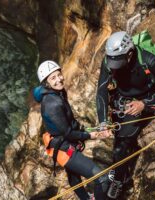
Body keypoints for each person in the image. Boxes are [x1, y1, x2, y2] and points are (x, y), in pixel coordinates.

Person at [96, 31, 155, 199]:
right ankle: (120, 167)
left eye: (117, 62)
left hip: (144, 99)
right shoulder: (108, 61)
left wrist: (144, 104)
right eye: (112, 61)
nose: (113, 66)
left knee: (122, 144)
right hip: (122, 97)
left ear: (130, 54)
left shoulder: (150, 61)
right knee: (119, 138)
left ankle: (120, 181)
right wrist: (103, 121)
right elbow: (102, 91)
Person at [33, 60, 112, 200]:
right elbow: (68, 133)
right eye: (53, 78)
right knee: (102, 178)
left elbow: (70, 123)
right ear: (46, 83)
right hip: (64, 147)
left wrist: (88, 130)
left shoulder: (57, 93)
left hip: (63, 143)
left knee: (74, 177)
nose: (59, 79)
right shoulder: (53, 104)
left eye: (59, 75)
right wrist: (91, 135)